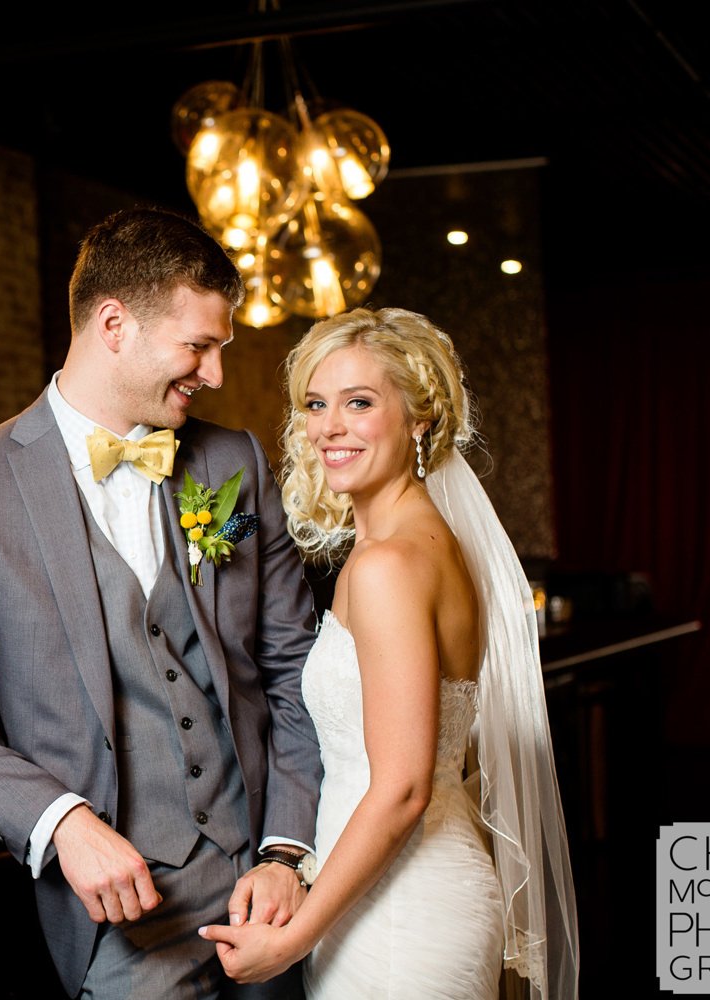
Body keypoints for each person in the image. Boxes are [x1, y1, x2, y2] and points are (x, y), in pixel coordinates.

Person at [0, 206, 325, 998]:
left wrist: (286, 849)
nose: (215, 374)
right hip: (123, 926)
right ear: (113, 324)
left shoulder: (234, 461)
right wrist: (61, 822)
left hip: (268, 896)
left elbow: (293, 668)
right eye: (199, 346)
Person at [199, 308, 580, 998]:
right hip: (379, 893)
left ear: (421, 420)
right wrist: (212, 537)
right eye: (316, 403)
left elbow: (403, 789)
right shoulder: (416, 544)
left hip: (404, 915)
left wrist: (291, 937)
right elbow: (263, 516)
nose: (328, 427)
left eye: (360, 402)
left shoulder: (390, 567)